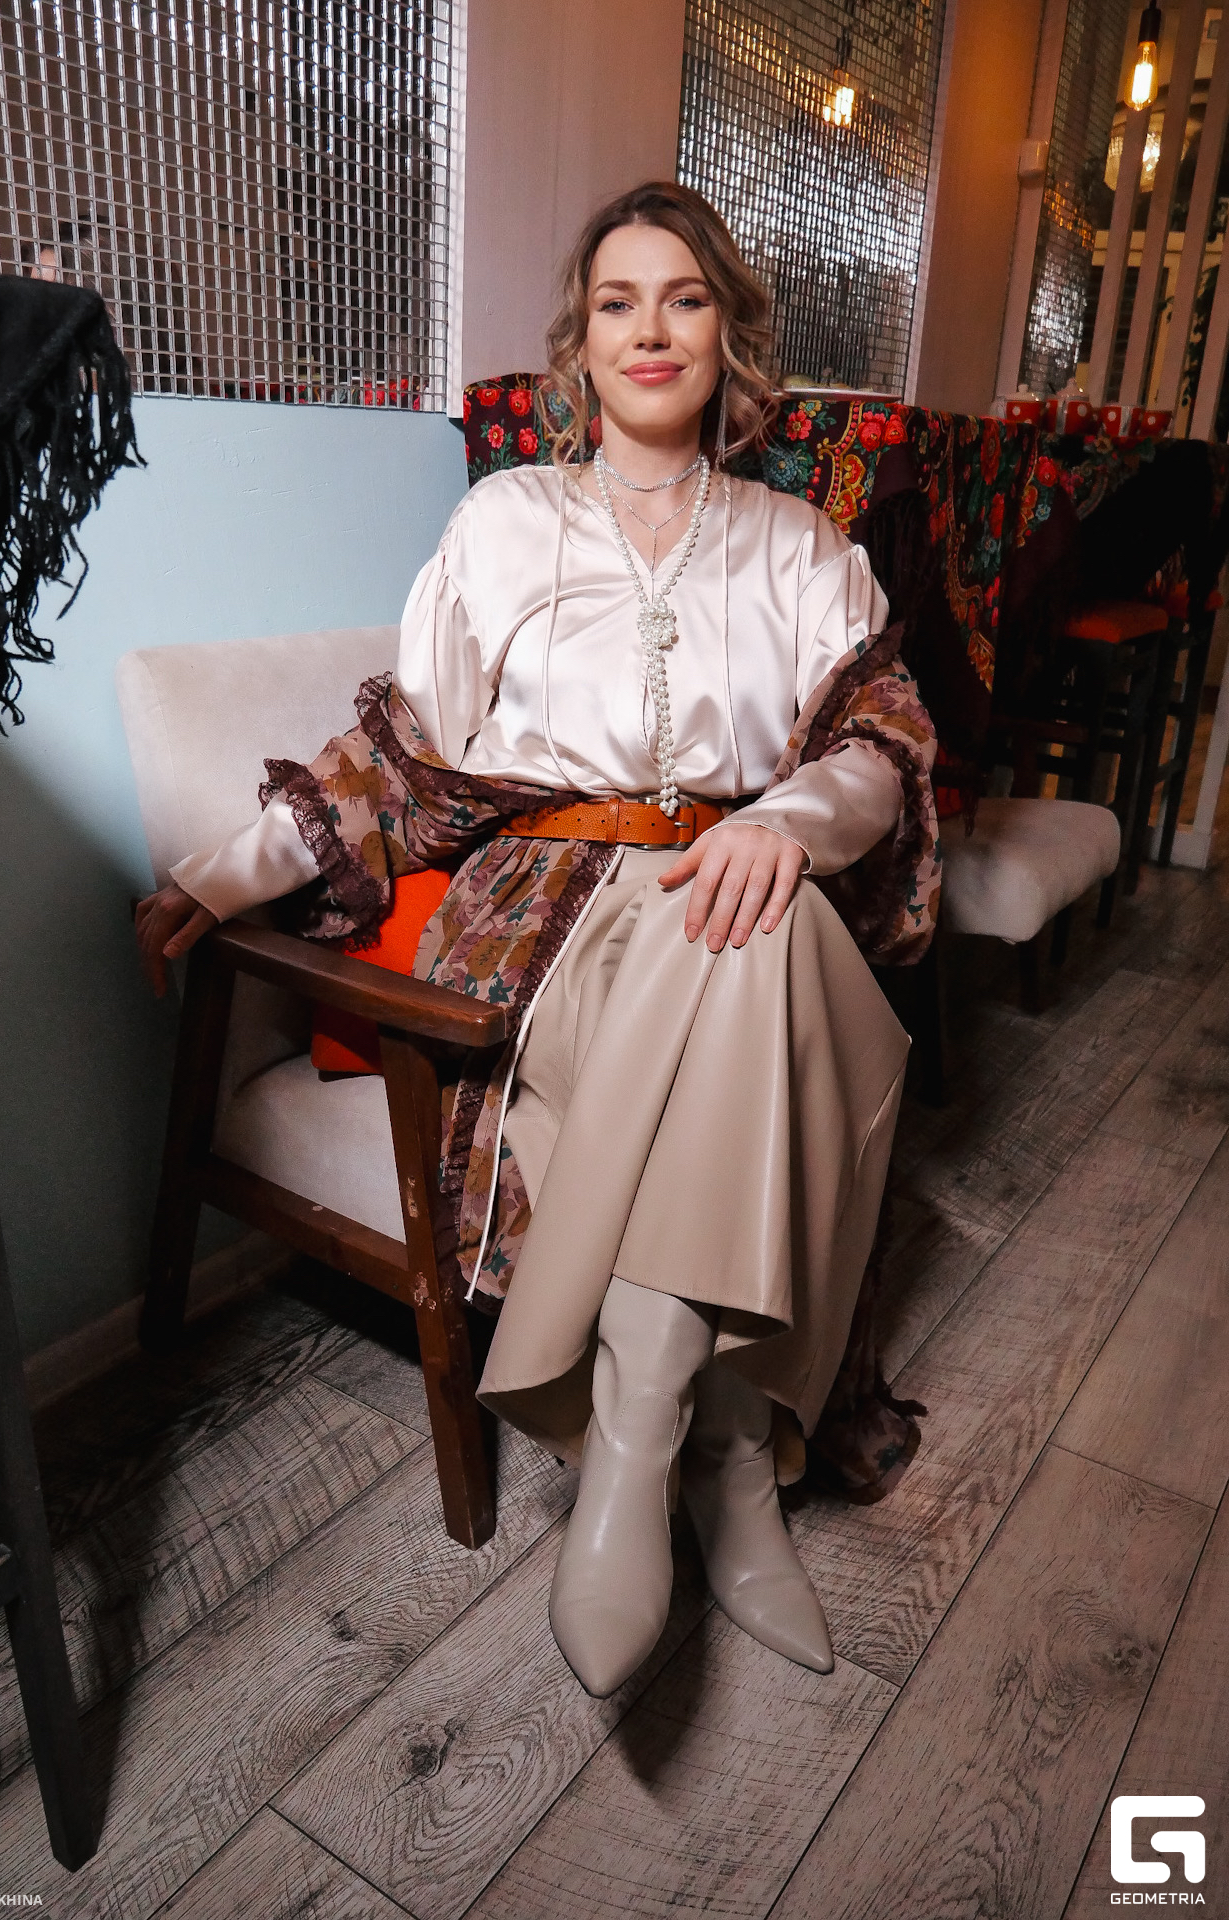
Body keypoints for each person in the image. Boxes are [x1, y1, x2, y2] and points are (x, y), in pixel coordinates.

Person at [134, 182, 937, 1698]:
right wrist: (223, 875)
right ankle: (735, 1466)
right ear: (580, 341)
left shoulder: (802, 547)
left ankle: (652, 1433)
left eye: (684, 299)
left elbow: (881, 743)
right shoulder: (502, 523)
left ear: (728, 332)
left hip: (742, 884)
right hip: (549, 910)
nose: (652, 330)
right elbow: (400, 763)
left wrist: (785, 822)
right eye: (619, 302)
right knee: (753, 949)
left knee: (752, 927)